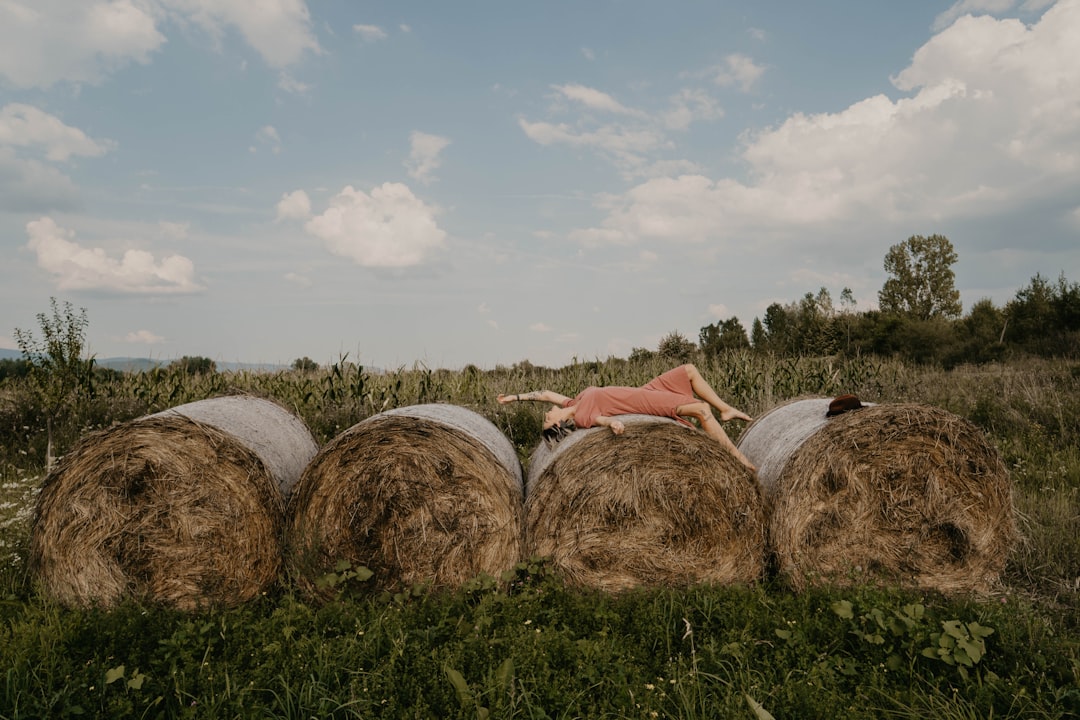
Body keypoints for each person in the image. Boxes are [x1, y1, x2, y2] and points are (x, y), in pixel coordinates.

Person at [498, 363, 756, 471]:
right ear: (559, 424)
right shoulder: (584, 417)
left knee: (688, 370)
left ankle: (726, 409)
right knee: (700, 410)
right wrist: (614, 424)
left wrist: (515, 397)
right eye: (546, 420)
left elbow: (546, 395)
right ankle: (738, 459)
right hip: (644, 401)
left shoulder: (573, 403)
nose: (545, 414)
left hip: (646, 389)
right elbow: (603, 421)